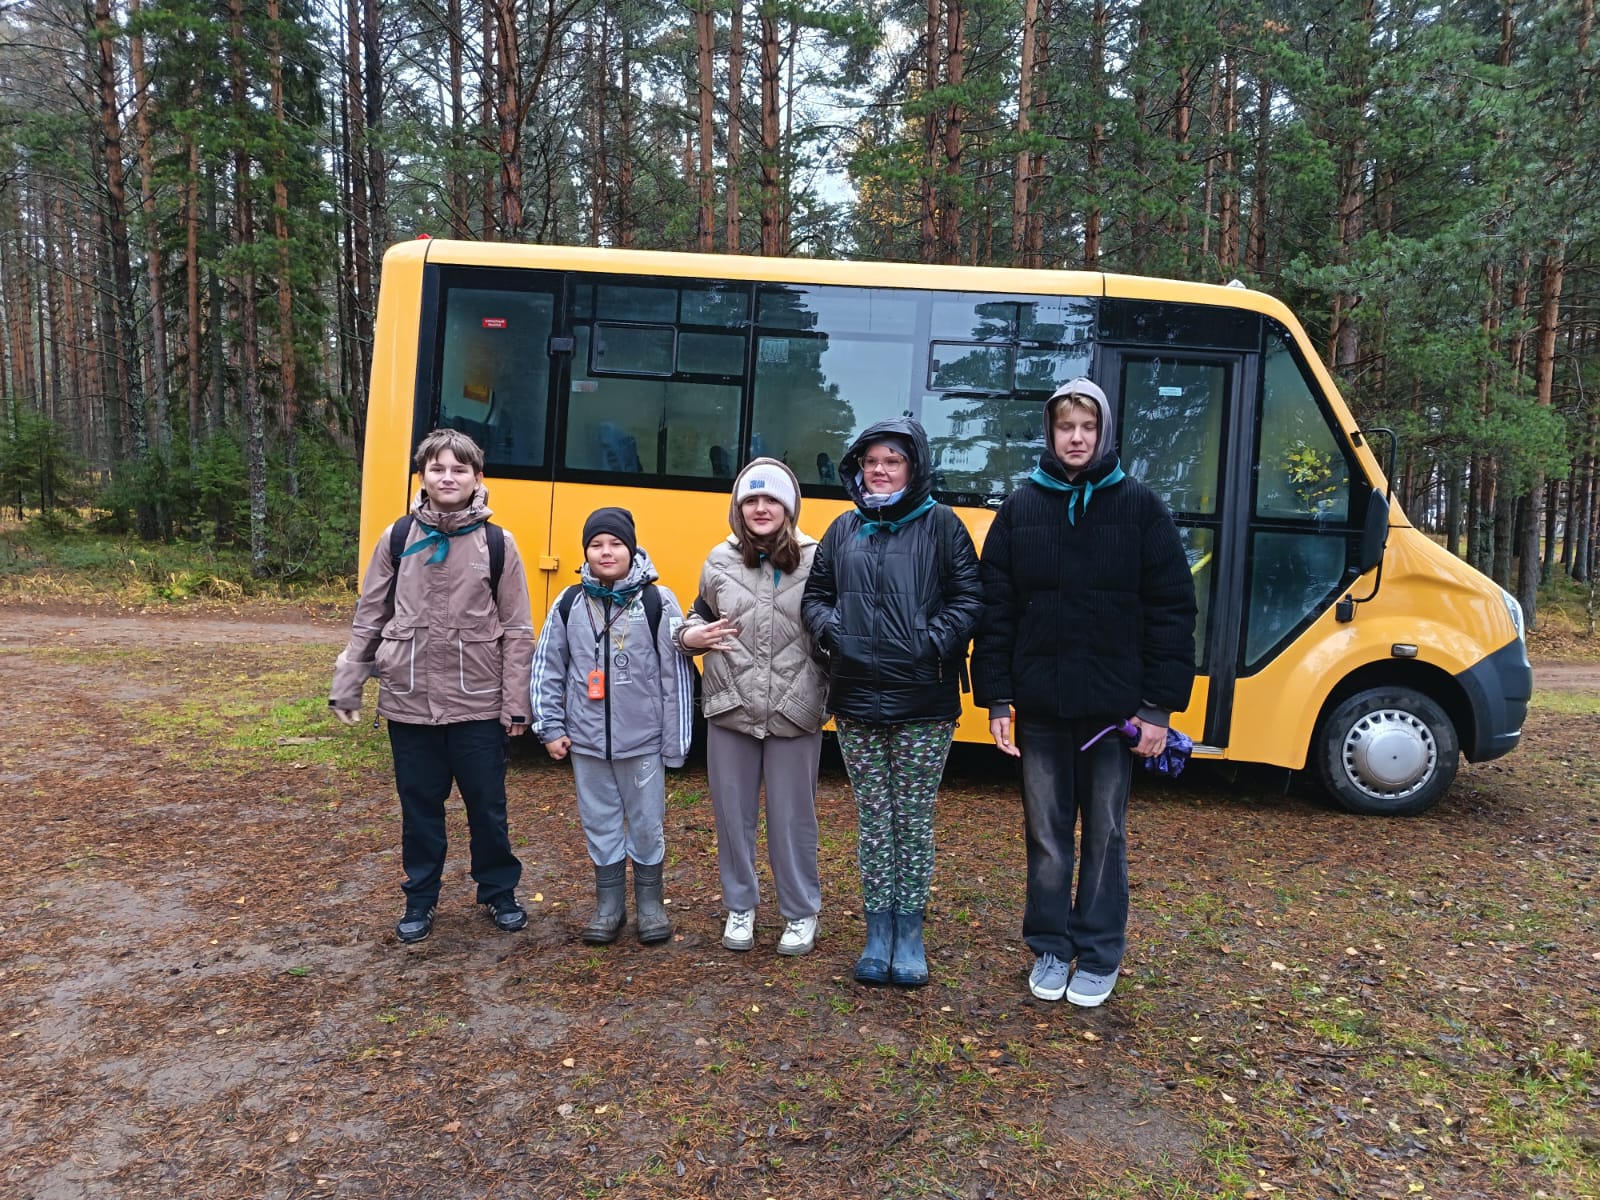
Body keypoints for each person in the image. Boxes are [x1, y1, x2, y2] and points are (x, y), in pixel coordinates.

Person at [971, 378, 1196, 1007]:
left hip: (1112, 713)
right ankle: (1050, 945)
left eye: (1087, 427)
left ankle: (1098, 953)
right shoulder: (1021, 510)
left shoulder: (1141, 508)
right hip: (1041, 709)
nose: (1076, 438)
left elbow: (1172, 611)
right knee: (1046, 836)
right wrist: (997, 699)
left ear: (1104, 433)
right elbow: (995, 612)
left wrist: (1156, 709)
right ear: (1050, 433)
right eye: (1066, 427)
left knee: (1105, 834)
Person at [329, 428, 534, 945]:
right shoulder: (397, 538)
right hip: (409, 702)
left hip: (477, 704)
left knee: (487, 809)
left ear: (477, 478)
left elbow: (517, 629)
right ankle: (420, 899)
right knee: (419, 811)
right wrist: (349, 683)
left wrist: (516, 703)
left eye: (459, 469)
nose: (448, 477)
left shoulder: (497, 543)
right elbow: (371, 614)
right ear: (422, 477)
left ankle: (498, 891)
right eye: (437, 468)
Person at [801, 418, 983, 987]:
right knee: (874, 821)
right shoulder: (843, 528)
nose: (878, 471)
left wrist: (928, 641)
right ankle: (877, 932)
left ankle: (910, 933)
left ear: (914, 467)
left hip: (923, 701)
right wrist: (835, 633)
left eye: (892, 461)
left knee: (913, 820)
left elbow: (969, 598)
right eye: (870, 461)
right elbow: (816, 596)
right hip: (856, 698)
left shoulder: (942, 525)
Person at [675, 458, 827, 957]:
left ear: (789, 507)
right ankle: (740, 905)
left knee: (792, 819)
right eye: (751, 500)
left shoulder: (817, 559)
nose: (761, 508)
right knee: (732, 816)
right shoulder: (719, 559)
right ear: (738, 508)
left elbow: (832, 628)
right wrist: (689, 637)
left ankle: (800, 910)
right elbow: (696, 616)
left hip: (794, 708)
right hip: (730, 704)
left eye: (771, 500)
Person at [530, 507, 694, 946]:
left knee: (646, 824)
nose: (606, 552)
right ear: (585, 552)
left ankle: (650, 905)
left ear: (631, 549)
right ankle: (609, 906)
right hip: (586, 743)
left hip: (643, 743)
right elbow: (548, 665)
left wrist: (675, 741)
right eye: (596, 544)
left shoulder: (658, 602)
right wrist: (550, 726)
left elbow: (675, 677)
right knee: (599, 822)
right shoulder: (569, 603)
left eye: (616, 544)